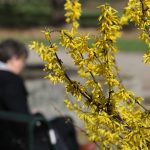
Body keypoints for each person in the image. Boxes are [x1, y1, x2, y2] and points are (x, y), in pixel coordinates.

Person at [0, 39, 96, 150]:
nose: (23, 65)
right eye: (23, 60)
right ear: (14, 59)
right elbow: (21, 122)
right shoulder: (11, 80)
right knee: (65, 123)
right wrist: (34, 116)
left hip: (6, 135)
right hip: (17, 140)